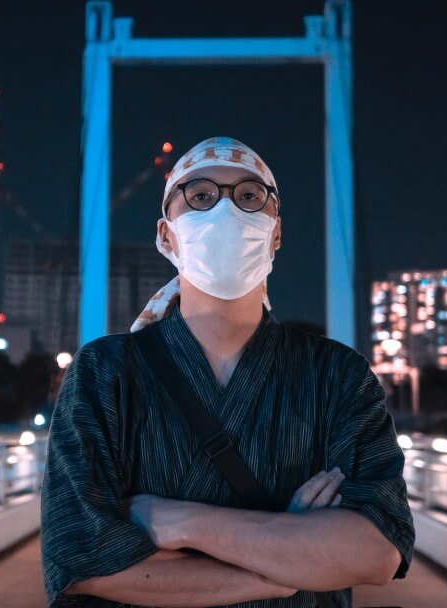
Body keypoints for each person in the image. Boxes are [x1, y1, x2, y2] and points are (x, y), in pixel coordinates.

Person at [40, 136, 414, 607]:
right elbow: (79, 561)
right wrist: (289, 565)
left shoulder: (338, 375)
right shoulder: (105, 372)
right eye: (199, 197)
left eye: (249, 197)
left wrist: (181, 523)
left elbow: (377, 551)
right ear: (165, 235)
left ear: (276, 232)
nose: (226, 212)